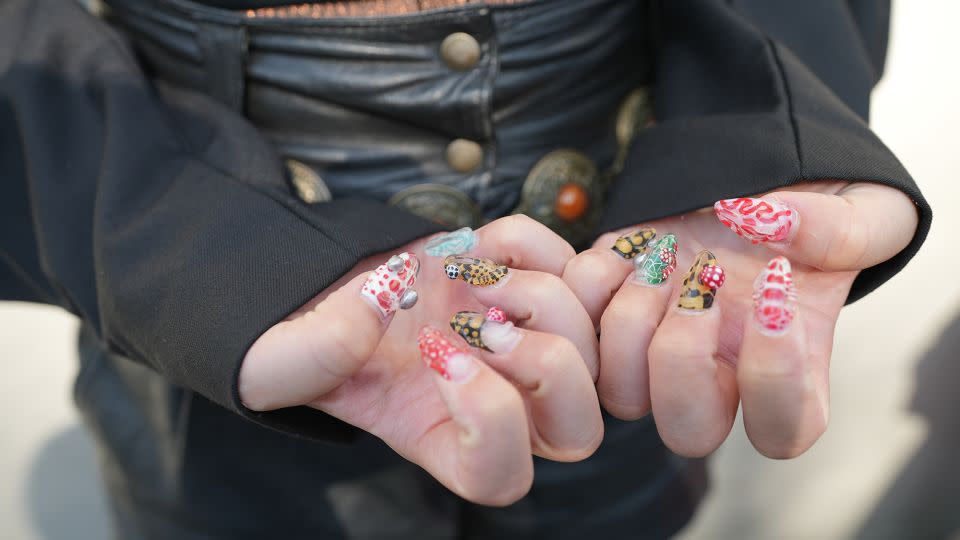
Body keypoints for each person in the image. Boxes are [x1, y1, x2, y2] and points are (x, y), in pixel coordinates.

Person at [0, 0, 930, 538]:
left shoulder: (675, 299)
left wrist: (768, 141)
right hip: (197, 307)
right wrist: (204, 258)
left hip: (634, 304)